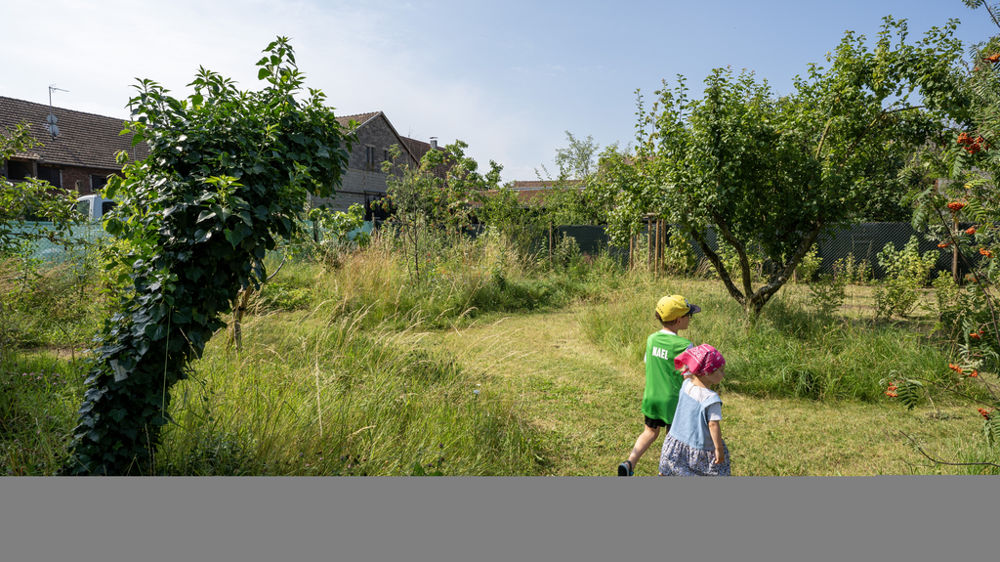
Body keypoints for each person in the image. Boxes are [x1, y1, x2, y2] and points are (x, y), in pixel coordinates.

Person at [617, 294, 700, 476]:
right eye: (689, 315)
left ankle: (630, 463)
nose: (690, 319)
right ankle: (665, 472)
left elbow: (649, 361)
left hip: (652, 397)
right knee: (673, 441)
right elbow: (689, 376)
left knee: (649, 432)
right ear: (679, 320)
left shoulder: (652, 339)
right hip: (673, 403)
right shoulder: (685, 345)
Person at [658, 344, 730, 476]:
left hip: (676, 440)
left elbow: (687, 375)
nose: (723, 373)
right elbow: (713, 424)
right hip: (700, 448)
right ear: (708, 372)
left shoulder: (686, 385)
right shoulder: (711, 399)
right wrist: (718, 449)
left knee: (675, 470)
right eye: (720, 370)